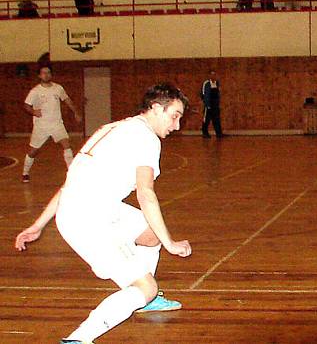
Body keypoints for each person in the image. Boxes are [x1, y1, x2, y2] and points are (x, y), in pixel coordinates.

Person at [15, 83, 192, 344]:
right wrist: (171, 243)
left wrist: (38, 224)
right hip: (90, 220)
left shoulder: (111, 129)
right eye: (174, 116)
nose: (176, 126)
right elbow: (145, 194)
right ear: (156, 108)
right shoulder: (145, 138)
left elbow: (70, 185)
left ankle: (146, 301)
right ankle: (79, 339)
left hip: (83, 208)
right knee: (145, 285)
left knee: (150, 234)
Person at [22, 66, 81, 183]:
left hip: (57, 124)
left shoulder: (58, 88)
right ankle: (25, 172)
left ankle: (71, 173)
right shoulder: (35, 91)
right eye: (44, 73)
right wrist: (34, 111)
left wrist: (76, 113)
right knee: (33, 151)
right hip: (41, 126)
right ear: (39, 76)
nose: (46, 75)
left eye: (48, 73)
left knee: (66, 145)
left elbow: (67, 100)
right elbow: (26, 105)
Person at [200, 70, 223, 138]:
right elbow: (204, 94)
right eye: (211, 74)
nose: (213, 76)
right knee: (206, 120)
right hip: (208, 105)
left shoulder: (217, 83)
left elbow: (218, 94)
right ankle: (205, 133)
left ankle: (219, 133)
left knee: (217, 119)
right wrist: (207, 104)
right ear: (209, 75)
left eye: (214, 74)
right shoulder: (206, 83)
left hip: (215, 105)